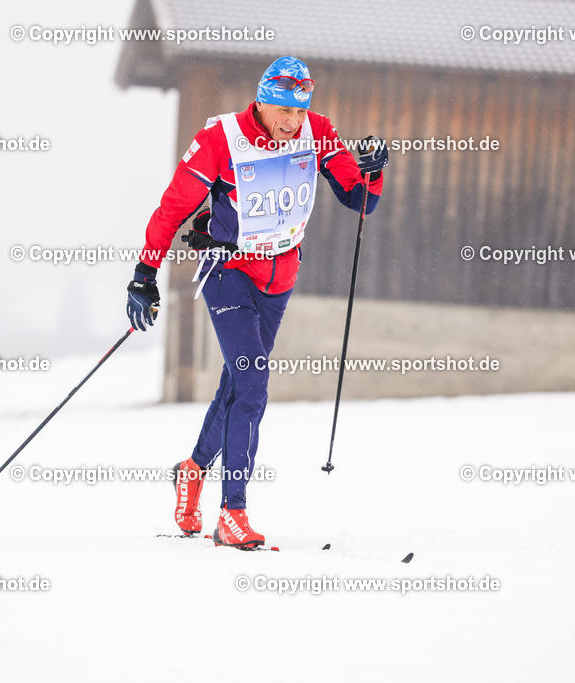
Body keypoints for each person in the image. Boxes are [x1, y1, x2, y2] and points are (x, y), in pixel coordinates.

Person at [126, 56, 388, 549]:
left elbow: (360, 200)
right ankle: (233, 513)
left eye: (300, 110)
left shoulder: (317, 132)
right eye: (284, 110)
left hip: (280, 278)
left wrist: (373, 171)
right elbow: (172, 209)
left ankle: (192, 470)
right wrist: (144, 276)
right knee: (252, 384)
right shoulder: (221, 139)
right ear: (262, 101)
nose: (293, 121)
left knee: (236, 384)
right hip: (229, 273)